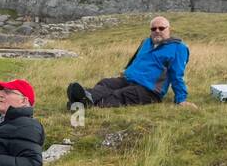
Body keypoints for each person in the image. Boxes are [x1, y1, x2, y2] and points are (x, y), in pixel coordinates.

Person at [66, 17, 195, 109]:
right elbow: (135, 60)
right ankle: (87, 96)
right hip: (129, 79)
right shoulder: (146, 42)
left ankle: (83, 103)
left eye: (161, 28)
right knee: (106, 83)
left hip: (149, 90)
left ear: (169, 29)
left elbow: (177, 75)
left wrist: (181, 100)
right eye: (153, 28)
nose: (157, 31)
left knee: (121, 94)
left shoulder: (179, 48)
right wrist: (126, 71)